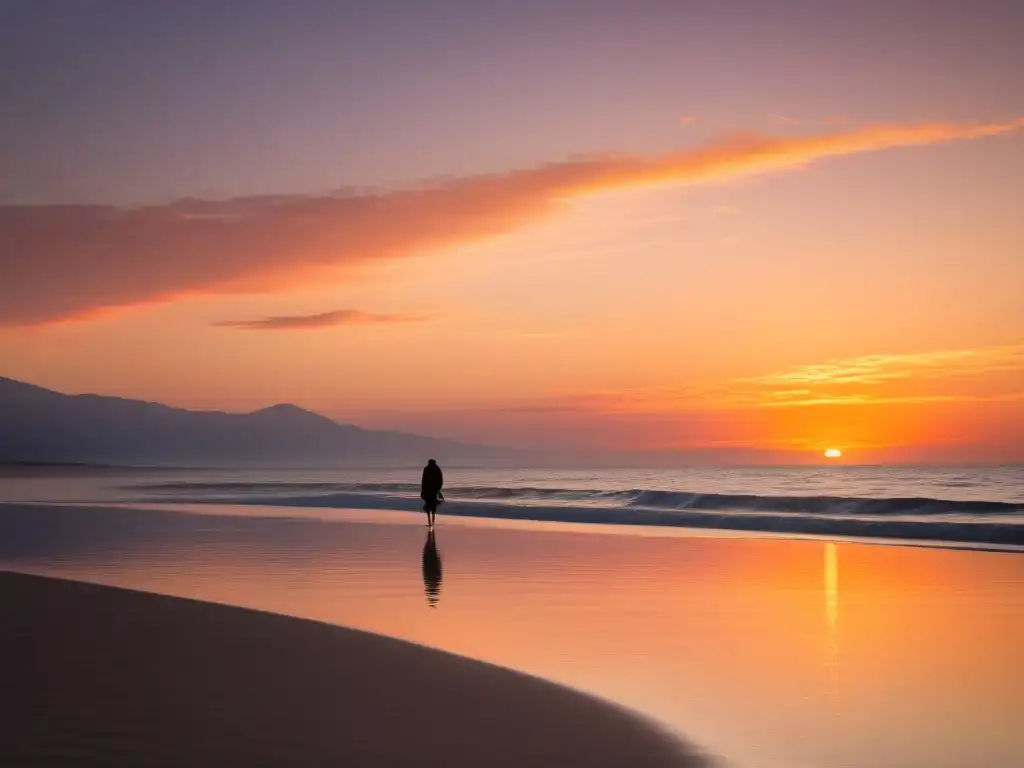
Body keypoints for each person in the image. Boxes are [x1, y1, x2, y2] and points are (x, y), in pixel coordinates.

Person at [420, 458, 444, 527]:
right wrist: (422, 491)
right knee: (428, 506)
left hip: (433, 490)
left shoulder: (436, 470)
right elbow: (423, 480)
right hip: (427, 490)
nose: (430, 465)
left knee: (433, 507)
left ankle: (432, 522)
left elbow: (440, 480)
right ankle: (429, 522)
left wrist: (438, 489)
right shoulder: (426, 469)